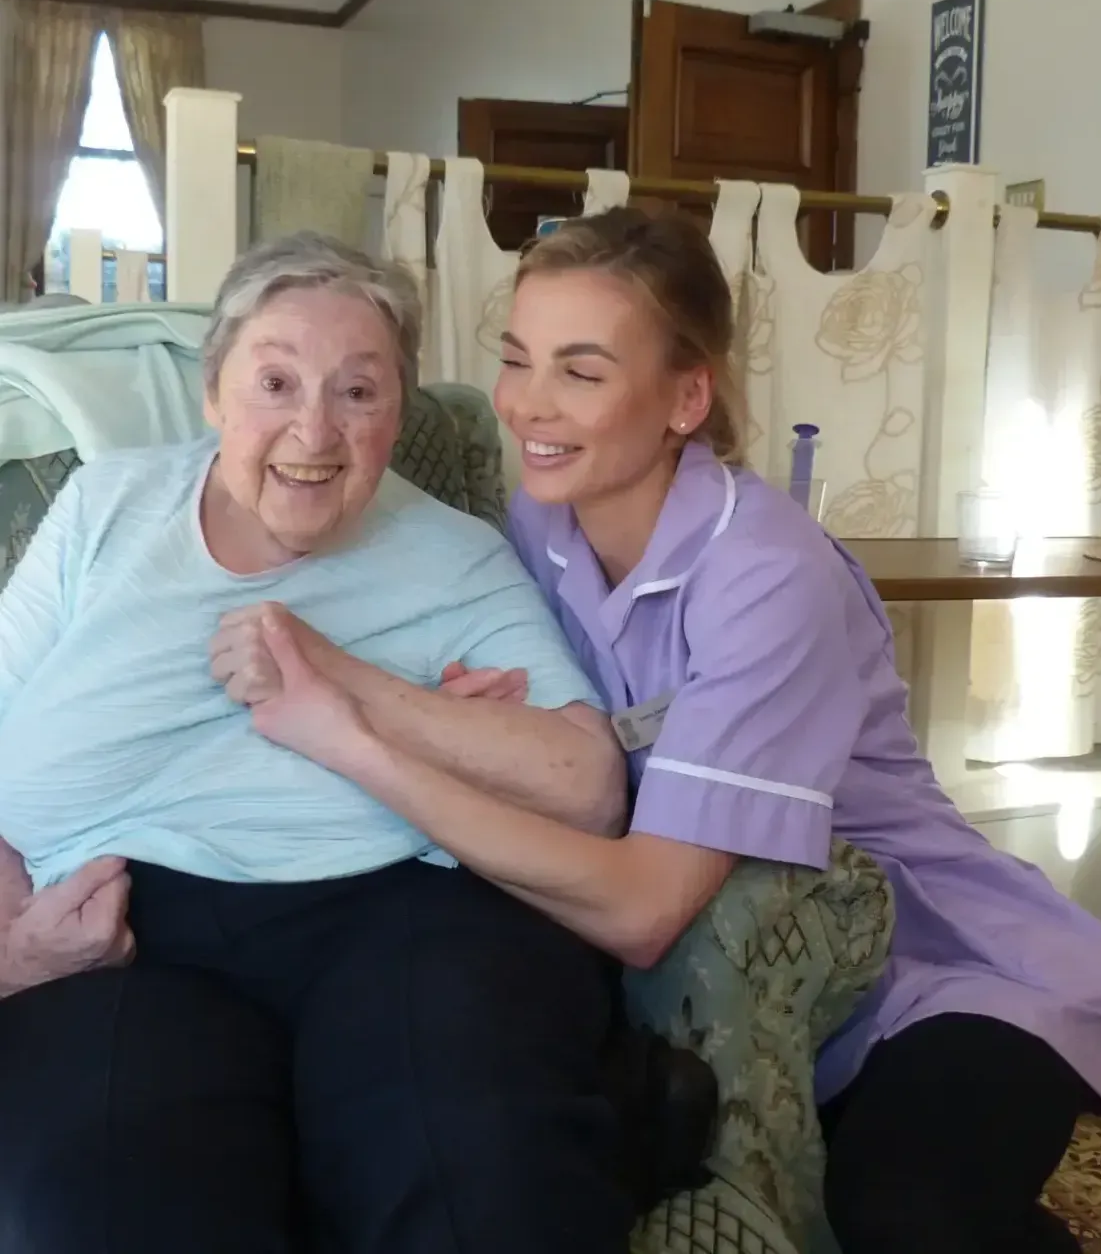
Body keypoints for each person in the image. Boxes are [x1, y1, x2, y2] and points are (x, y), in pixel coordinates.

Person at [238, 210, 1101, 1254]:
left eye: (581, 372)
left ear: (686, 398)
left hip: (953, 972)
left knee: (904, 1218)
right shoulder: (541, 521)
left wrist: (354, 718)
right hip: (760, 993)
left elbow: (642, 909)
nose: (529, 404)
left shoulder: (768, 575)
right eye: (515, 358)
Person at [0, 232, 633, 1253]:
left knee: (475, 1165)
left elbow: (587, 784)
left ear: (399, 414)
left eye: (358, 391)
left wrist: (345, 677)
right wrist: (11, 953)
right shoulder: (102, 510)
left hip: (402, 908)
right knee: (106, 1193)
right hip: (125, 934)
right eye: (277, 381)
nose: (314, 430)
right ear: (215, 393)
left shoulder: (457, 556)